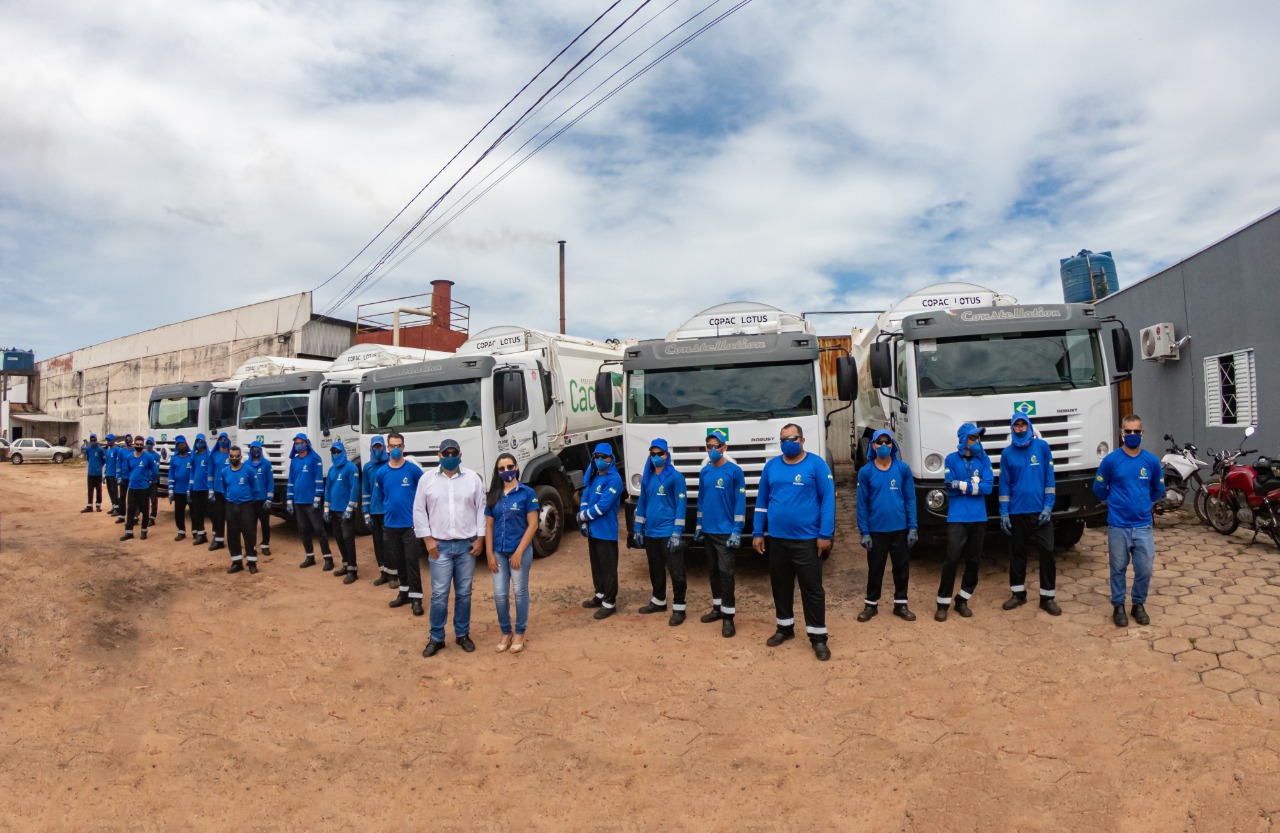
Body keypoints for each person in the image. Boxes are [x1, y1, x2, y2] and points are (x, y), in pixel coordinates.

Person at [752, 424, 836, 661]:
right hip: (778, 540)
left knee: (812, 589)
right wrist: (758, 532)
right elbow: (762, 501)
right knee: (781, 585)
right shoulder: (771, 467)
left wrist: (825, 534)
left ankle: (818, 638)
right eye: (783, 438)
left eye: (792, 437)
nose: (788, 441)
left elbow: (828, 500)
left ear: (802, 439)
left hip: (808, 541)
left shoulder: (816, 465)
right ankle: (784, 628)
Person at [414, 438, 486, 658]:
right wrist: (427, 540)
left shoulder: (473, 479)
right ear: (439, 456)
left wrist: (480, 539)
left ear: (460, 456)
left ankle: (462, 634)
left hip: (466, 547)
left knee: (464, 594)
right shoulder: (427, 480)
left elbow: (481, 510)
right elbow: (419, 510)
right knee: (439, 595)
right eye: (446, 453)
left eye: (454, 453)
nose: (450, 457)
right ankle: (437, 638)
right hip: (440, 548)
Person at [1093, 414, 1165, 627]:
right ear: (1121, 433)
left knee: (1144, 569)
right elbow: (1098, 488)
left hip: (1143, 525)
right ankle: (1118, 606)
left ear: (1142, 433)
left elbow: (1158, 488)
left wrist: (1145, 504)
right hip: (1118, 526)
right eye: (1128, 431)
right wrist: (1112, 503)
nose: (1132, 435)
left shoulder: (1150, 461)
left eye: (1136, 431)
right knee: (1118, 568)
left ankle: (1138, 605)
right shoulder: (1111, 461)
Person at [999, 414, 1061, 616]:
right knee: (1018, 554)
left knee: (1048, 551)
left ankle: (1047, 597)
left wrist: (1048, 507)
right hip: (1017, 512)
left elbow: (1049, 479)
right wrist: (1004, 514)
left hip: (1040, 512)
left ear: (1029, 426)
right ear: (1012, 429)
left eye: (1023, 424)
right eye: (1016, 425)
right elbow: (1004, 485)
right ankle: (1018, 594)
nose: (1020, 428)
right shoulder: (1007, 454)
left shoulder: (1042, 447)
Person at [855, 429, 918, 623]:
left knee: (901, 568)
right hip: (876, 531)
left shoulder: (902, 469)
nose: (883, 446)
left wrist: (913, 527)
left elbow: (910, 498)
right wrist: (864, 531)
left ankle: (901, 604)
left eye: (887, 442)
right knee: (875, 569)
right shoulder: (866, 472)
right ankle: (871, 605)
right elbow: (862, 504)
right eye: (879, 442)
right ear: (872, 446)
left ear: (893, 445)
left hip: (899, 529)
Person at [936, 423, 994, 622]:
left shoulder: (983, 459)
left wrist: (963, 485)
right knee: (951, 559)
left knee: (974, 560)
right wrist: (973, 485)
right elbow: (949, 487)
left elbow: (988, 487)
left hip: (979, 517)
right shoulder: (951, 459)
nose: (976, 442)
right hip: (957, 517)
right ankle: (942, 603)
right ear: (963, 439)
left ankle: (963, 599)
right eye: (972, 438)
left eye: (978, 438)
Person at [484, 453, 539, 653]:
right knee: (499, 594)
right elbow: (489, 526)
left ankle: (520, 633)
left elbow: (533, 525)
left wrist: (518, 553)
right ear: (497, 472)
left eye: (509, 467)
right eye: (502, 468)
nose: (506, 471)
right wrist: (489, 554)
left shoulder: (527, 493)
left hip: (520, 552)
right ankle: (505, 632)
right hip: (499, 552)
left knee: (520, 591)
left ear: (516, 467)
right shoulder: (494, 495)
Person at [694, 429, 746, 637]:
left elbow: (740, 504)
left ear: (725, 448)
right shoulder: (705, 471)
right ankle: (717, 608)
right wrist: (699, 525)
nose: (713, 450)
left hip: (725, 533)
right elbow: (701, 500)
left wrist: (737, 530)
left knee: (726, 574)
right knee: (713, 572)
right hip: (708, 530)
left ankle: (729, 617)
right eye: (709, 447)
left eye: (717, 446)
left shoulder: (735, 472)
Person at [632, 438, 688, 625]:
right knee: (655, 569)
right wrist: (638, 527)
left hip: (668, 533)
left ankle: (679, 607)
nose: (657, 457)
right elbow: (642, 503)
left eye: (660, 453)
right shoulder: (647, 477)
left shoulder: (676, 477)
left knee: (677, 572)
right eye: (653, 454)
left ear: (667, 455)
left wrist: (676, 533)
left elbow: (681, 505)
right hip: (651, 533)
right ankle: (658, 600)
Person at [377, 432, 426, 614]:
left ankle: (416, 598)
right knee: (399, 561)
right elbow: (383, 495)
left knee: (412, 560)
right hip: (391, 525)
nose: (395, 449)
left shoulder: (412, 470)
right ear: (387, 448)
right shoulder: (382, 472)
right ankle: (404, 593)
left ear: (403, 447)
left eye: (399, 446)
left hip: (410, 525)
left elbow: (423, 492)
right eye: (392, 446)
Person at [578, 443, 623, 620]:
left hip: (606, 531)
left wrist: (583, 517)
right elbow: (585, 496)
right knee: (596, 565)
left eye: (603, 457)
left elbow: (603, 506)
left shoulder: (614, 479)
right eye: (596, 457)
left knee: (608, 567)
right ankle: (599, 594)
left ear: (611, 459)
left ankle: (609, 603)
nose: (599, 460)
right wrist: (583, 515)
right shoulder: (594, 477)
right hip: (594, 531)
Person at [287, 433, 333, 569]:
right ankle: (310, 556)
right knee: (303, 530)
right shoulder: (294, 461)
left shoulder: (314, 459)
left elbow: (319, 480)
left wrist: (317, 497)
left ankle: (328, 558)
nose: (298, 445)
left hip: (311, 502)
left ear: (306, 443)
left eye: (300, 442)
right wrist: (289, 500)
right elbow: (291, 481)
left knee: (319, 530)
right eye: (296, 443)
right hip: (298, 501)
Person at [324, 440, 361, 585]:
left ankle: (353, 570)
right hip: (334, 511)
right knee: (339, 538)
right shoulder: (332, 470)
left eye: (338, 451)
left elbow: (354, 488)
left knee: (348, 539)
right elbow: (327, 489)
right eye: (333, 451)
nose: (335, 454)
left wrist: (350, 508)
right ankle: (345, 565)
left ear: (343, 452)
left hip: (346, 512)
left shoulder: (351, 468)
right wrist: (326, 509)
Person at [218, 445, 260, 574]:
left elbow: (256, 489)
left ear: (241, 457)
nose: (234, 458)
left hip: (246, 506)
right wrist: (231, 499)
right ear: (229, 457)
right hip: (231, 506)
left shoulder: (248, 470)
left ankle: (252, 563)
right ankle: (237, 562)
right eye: (232, 456)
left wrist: (246, 501)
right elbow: (224, 489)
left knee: (249, 535)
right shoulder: (224, 472)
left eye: (237, 456)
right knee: (232, 536)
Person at [362, 435, 393, 587]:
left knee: (390, 544)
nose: (377, 449)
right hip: (375, 511)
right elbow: (365, 490)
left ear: (384, 447)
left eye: (380, 446)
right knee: (378, 543)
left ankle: (394, 575)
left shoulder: (391, 464)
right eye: (375, 447)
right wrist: (366, 513)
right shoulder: (367, 467)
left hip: (389, 511)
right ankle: (383, 573)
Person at [119, 435, 158, 541]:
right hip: (132, 488)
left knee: (145, 510)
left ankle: (144, 531)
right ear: (134, 444)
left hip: (144, 488)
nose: (139, 446)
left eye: (141, 445)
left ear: (143, 445)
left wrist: (150, 480)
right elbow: (128, 470)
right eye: (137, 444)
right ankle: (129, 532)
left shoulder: (148, 457)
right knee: (130, 510)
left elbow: (155, 471)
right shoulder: (129, 457)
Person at [245, 441, 275, 557]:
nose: (255, 451)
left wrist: (269, 499)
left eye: (257, 449)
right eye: (253, 449)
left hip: (263, 500)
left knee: (265, 524)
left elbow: (270, 481)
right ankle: (251, 547)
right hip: (251, 500)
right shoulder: (246, 465)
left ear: (261, 450)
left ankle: (265, 545)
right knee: (250, 525)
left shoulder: (266, 464)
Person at [208, 433, 232, 551]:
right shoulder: (214, 455)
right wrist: (210, 489)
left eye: (225, 439)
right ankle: (219, 540)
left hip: (229, 491)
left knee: (231, 517)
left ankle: (233, 540)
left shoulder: (231, 455)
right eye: (221, 439)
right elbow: (210, 473)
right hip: (217, 490)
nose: (223, 441)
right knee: (219, 516)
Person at [167, 435, 194, 541]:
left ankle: (195, 532)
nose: (180, 446)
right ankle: (181, 532)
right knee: (179, 512)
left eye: (182, 444)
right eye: (178, 444)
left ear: (186, 445)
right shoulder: (174, 459)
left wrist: (191, 487)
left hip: (190, 490)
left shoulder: (191, 457)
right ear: (176, 447)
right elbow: (171, 475)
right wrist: (170, 490)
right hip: (178, 490)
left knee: (194, 512)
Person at [188, 434, 212, 546]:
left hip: (206, 489)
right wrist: (190, 488)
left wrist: (211, 488)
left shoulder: (208, 456)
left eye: (201, 441)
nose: (199, 444)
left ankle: (217, 535)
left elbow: (211, 472)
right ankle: (201, 535)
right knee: (197, 513)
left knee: (211, 513)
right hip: (196, 489)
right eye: (197, 441)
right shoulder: (194, 456)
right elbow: (192, 473)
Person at [82, 433, 106, 513]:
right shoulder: (88, 449)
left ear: (96, 439)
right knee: (90, 490)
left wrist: (98, 467)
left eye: (94, 439)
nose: (93, 441)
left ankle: (98, 505)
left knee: (99, 490)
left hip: (98, 474)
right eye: (91, 440)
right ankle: (89, 506)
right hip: (90, 473)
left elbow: (103, 461)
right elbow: (88, 458)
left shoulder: (100, 449)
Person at [113, 434, 134, 522]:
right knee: (122, 496)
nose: (128, 441)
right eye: (127, 440)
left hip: (132, 477)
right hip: (123, 477)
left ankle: (133, 516)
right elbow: (118, 463)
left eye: (130, 440)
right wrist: (118, 475)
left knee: (132, 498)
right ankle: (121, 515)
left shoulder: (135, 450)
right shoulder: (121, 451)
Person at [144, 437, 162, 523]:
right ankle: (145, 516)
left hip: (153, 481)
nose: (149, 445)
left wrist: (151, 479)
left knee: (153, 500)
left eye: (150, 443)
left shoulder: (156, 456)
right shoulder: (143, 454)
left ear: (153, 444)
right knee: (144, 500)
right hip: (144, 481)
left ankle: (152, 517)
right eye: (147, 443)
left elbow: (156, 468)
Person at [103, 434, 121, 515]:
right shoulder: (107, 451)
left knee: (114, 491)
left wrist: (118, 474)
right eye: (107, 440)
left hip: (114, 474)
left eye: (110, 440)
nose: (108, 442)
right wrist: (104, 474)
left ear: (113, 440)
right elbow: (106, 463)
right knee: (110, 491)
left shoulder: (117, 450)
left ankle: (117, 508)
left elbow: (119, 462)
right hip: (108, 474)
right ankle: (113, 505)